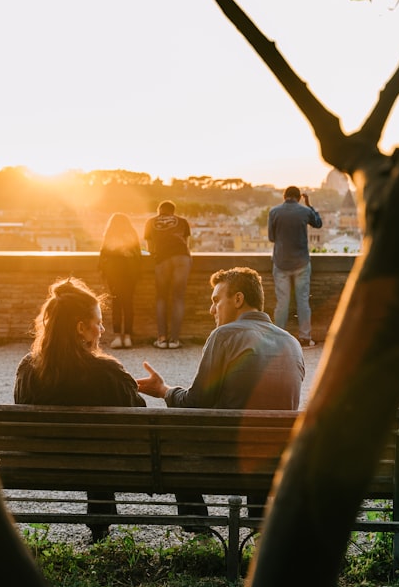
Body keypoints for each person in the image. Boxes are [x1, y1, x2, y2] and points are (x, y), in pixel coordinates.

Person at [137, 266, 304, 522]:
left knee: (171, 446)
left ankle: (198, 526)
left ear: (238, 299)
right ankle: (257, 524)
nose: (211, 310)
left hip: (227, 460)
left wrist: (163, 390)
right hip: (278, 461)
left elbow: (195, 402)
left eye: (216, 300)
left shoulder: (225, 335)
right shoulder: (292, 342)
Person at [13, 277, 145, 544]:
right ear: (81, 328)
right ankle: (101, 528)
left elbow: (21, 407)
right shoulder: (107, 372)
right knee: (100, 446)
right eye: (98, 323)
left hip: (42, 461)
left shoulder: (29, 369)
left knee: (95, 444)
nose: (102, 328)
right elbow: (138, 418)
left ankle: (100, 527)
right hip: (102, 461)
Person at [268, 185, 323, 347]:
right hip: (301, 263)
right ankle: (305, 337)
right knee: (303, 301)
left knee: (282, 303)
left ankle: (278, 338)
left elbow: (272, 238)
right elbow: (318, 224)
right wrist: (309, 204)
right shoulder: (305, 212)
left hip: (281, 262)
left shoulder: (274, 212)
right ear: (299, 197)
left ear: (284, 196)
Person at [144, 200, 191, 349]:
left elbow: (150, 247)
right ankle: (175, 340)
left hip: (162, 259)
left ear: (159, 211)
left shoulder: (150, 222)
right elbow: (186, 243)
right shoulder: (182, 221)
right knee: (178, 298)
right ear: (173, 211)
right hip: (182, 257)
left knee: (161, 298)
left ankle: (162, 339)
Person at [99, 213, 142, 348]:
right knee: (128, 304)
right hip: (130, 274)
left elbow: (103, 256)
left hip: (114, 274)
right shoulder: (132, 235)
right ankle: (128, 337)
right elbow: (138, 255)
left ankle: (118, 337)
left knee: (116, 304)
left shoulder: (109, 236)